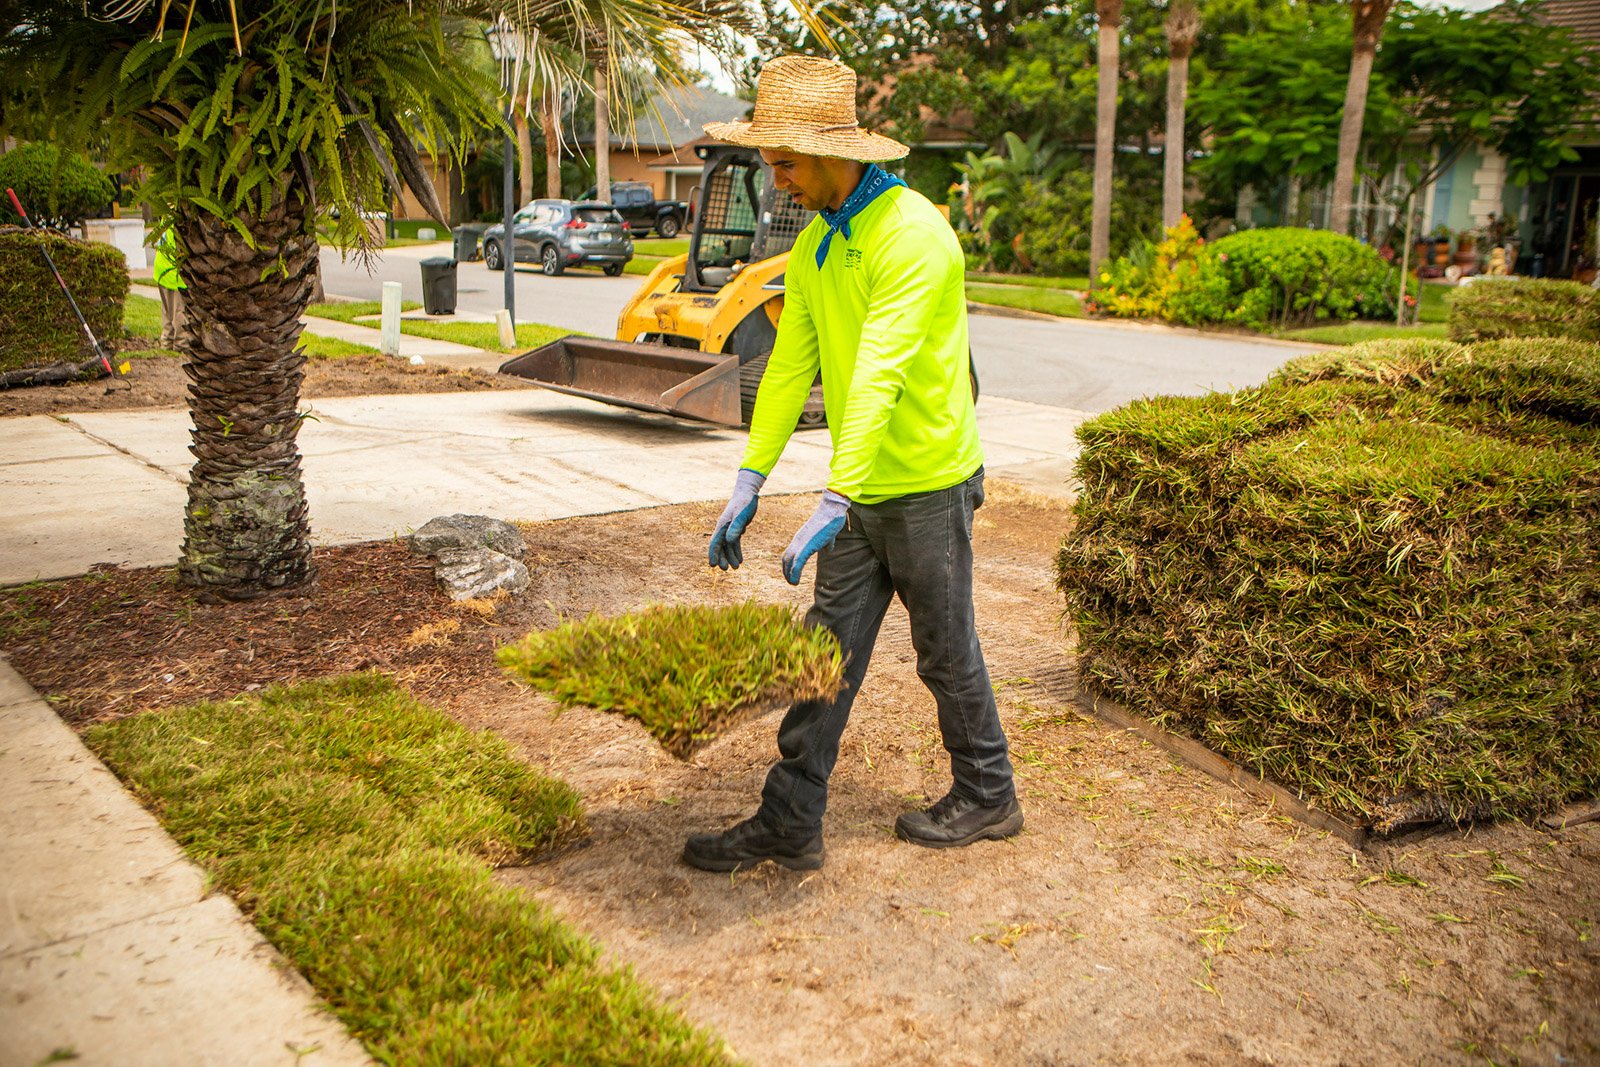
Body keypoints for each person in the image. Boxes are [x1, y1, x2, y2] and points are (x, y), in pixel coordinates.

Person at [683, 55, 1021, 874]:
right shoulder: (816, 250)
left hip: (928, 484)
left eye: (786, 163)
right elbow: (787, 368)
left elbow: (877, 369)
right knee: (824, 647)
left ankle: (989, 793)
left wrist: (836, 493)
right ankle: (790, 817)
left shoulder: (913, 235)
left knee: (943, 649)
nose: (778, 182)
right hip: (861, 488)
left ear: (834, 152)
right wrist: (749, 479)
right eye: (770, 165)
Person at [152, 226, 187, 350]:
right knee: (179, 312)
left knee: (167, 311)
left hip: (161, 269)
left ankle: (166, 342)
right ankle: (180, 345)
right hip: (175, 274)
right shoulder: (180, 221)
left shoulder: (167, 216)